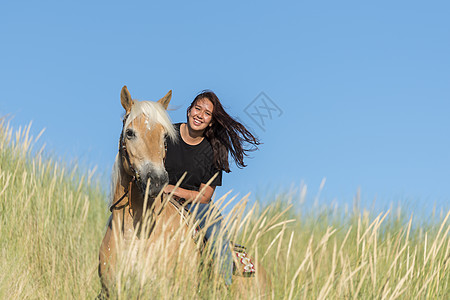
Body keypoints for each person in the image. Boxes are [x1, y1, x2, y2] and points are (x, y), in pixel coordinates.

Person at [163, 90, 260, 286]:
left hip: (194, 203)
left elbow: (204, 196)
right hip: (156, 192)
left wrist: (170, 189)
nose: (200, 115)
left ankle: (222, 286)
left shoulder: (214, 150)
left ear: (211, 122)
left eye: (207, 113)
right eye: (197, 109)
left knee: (218, 238)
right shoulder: (167, 134)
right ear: (189, 111)